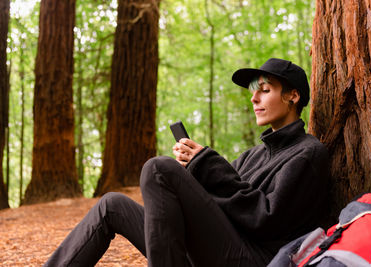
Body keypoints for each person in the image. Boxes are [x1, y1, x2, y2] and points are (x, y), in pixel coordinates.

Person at [44, 58, 329, 267]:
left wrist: (206, 164)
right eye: (254, 91)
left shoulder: (308, 154)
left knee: (157, 168)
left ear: (293, 96)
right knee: (112, 204)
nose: (254, 98)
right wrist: (192, 177)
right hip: (218, 249)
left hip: (253, 259)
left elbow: (265, 219)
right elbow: (222, 200)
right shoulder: (253, 155)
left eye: (265, 90)